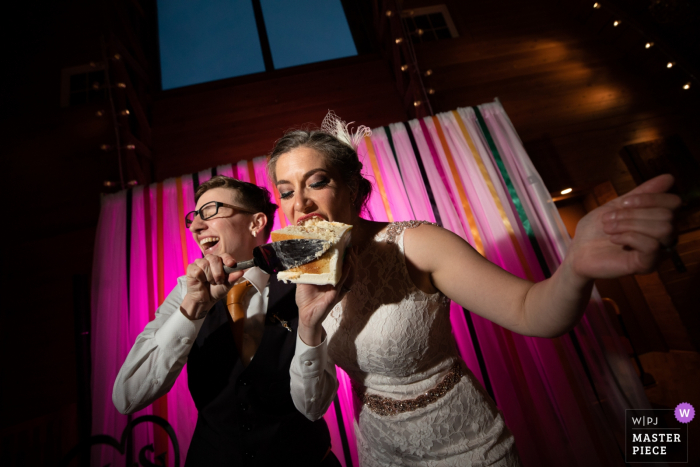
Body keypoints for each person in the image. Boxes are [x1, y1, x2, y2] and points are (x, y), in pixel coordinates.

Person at [266, 120, 680, 466]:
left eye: (316, 182)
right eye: (286, 191)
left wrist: (575, 268)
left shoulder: (417, 244)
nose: (299, 202)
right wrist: (308, 321)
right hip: (379, 453)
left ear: (353, 189)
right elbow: (311, 407)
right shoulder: (298, 272)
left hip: (465, 449)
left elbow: (529, 311)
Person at [113, 176, 340, 466]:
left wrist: (308, 325)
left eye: (210, 211)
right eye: (194, 218)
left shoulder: (307, 285)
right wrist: (193, 308)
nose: (195, 226)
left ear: (256, 224)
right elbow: (127, 396)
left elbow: (314, 407)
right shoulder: (185, 291)